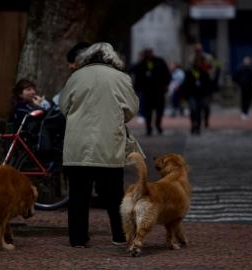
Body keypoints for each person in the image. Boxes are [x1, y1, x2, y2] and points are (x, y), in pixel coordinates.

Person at [59, 42, 144, 248]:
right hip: (109, 143)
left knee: (78, 195)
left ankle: (78, 238)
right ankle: (119, 235)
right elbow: (131, 109)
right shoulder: (121, 78)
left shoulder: (76, 76)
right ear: (112, 58)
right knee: (114, 194)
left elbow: (64, 107)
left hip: (78, 144)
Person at [132, 48, 171, 135]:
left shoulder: (159, 62)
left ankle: (158, 125)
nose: (148, 55)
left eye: (149, 53)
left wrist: (166, 85)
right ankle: (149, 128)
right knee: (147, 111)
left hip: (159, 90)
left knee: (159, 110)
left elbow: (167, 74)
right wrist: (136, 89)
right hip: (147, 92)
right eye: (146, 53)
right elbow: (134, 72)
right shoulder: (142, 64)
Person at [181, 56, 212, 135]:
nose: (198, 64)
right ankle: (193, 124)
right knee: (193, 110)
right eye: (196, 62)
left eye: (199, 62)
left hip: (201, 95)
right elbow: (185, 85)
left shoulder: (204, 73)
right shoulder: (189, 73)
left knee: (199, 111)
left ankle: (198, 126)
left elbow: (207, 85)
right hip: (191, 95)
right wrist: (184, 95)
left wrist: (207, 94)